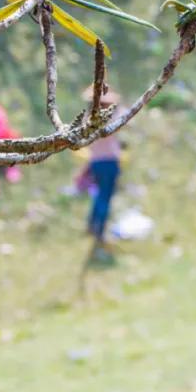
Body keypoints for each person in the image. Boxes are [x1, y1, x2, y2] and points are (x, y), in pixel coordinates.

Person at [77, 85, 123, 267]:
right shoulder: (109, 121)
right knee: (105, 197)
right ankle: (99, 229)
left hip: (96, 162)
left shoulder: (88, 120)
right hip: (109, 162)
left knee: (99, 196)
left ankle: (93, 224)